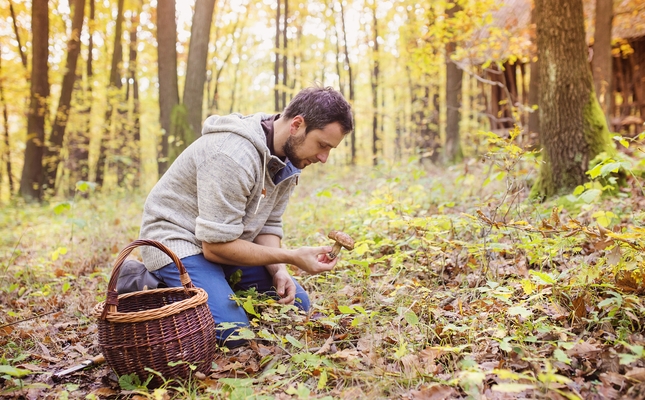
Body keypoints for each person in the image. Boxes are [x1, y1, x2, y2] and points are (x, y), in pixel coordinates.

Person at [137, 86, 354, 347]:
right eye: (322, 145)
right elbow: (215, 247)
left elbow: (269, 223)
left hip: (226, 243)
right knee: (234, 334)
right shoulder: (231, 155)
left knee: (297, 305)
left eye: (330, 149)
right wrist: (292, 256)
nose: (323, 157)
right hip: (177, 242)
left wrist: (280, 270)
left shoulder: (291, 158)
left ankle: (215, 286)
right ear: (297, 124)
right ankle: (153, 287)